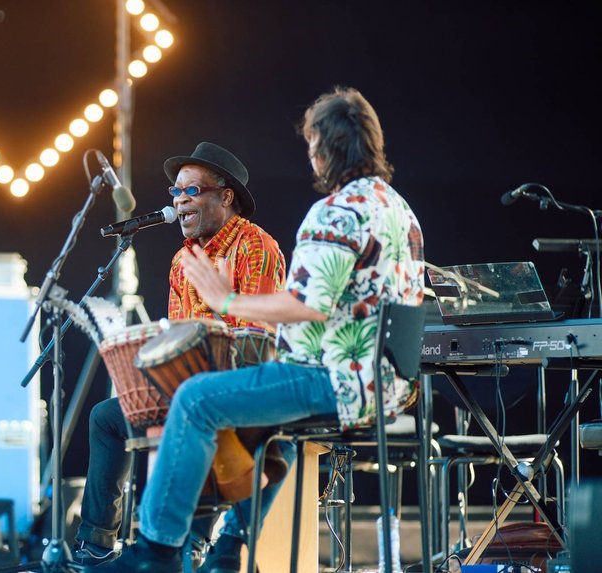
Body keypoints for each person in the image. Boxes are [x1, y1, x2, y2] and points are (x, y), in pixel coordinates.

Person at [93, 87, 425, 573]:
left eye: (312, 145)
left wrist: (225, 300)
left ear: (326, 148)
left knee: (195, 400)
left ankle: (156, 552)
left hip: (334, 379)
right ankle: (227, 551)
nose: (311, 157)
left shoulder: (337, 212)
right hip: (387, 386)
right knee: (270, 433)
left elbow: (306, 306)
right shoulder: (400, 211)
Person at [75, 142, 291, 571]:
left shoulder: (255, 247)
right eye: (175, 194)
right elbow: (179, 336)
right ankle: (96, 545)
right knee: (106, 417)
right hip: (185, 389)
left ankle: (189, 544)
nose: (180, 202)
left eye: (191, 192)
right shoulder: (182, 259)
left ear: (224, 197)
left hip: (237, 389)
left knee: (195, 417)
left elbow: (256, 341)